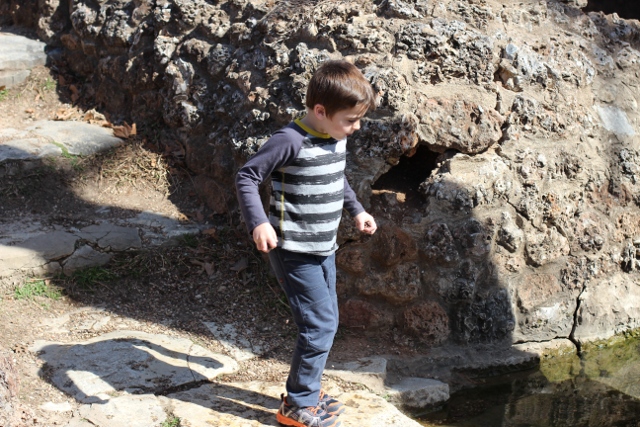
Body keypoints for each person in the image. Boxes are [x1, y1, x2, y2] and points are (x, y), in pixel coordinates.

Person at [235, 59, 378, 427]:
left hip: (323, 249)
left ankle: (307, 394)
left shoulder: (333, 137)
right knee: (320, 325)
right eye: (350, 120)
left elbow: (336, 177)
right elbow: (247, 176)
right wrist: (259, 223)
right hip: (295, 252)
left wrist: (356, 210)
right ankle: (297, 404)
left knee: (323, 323)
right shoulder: (290, 141)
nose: (356, 127)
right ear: (320, 111)